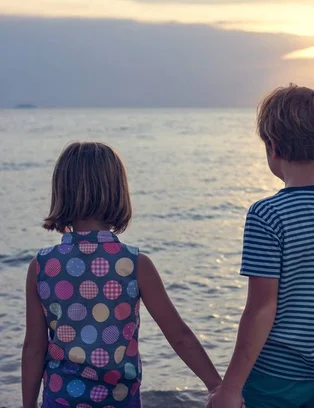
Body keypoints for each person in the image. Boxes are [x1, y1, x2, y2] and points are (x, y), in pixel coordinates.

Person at [208, 84, 314, 408]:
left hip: (274, 378)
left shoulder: (267, 215)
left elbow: (261, 309)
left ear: (272, 147)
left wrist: (230, 387)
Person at [21, 142, 222, 407]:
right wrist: (217, 385)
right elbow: (178, 335)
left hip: (61, 399)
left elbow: (34, 348)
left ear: (61, 192)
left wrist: (27, 404)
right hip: (119, 400)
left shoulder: (42, 266)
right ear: (117, 192)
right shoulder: (134, 264)